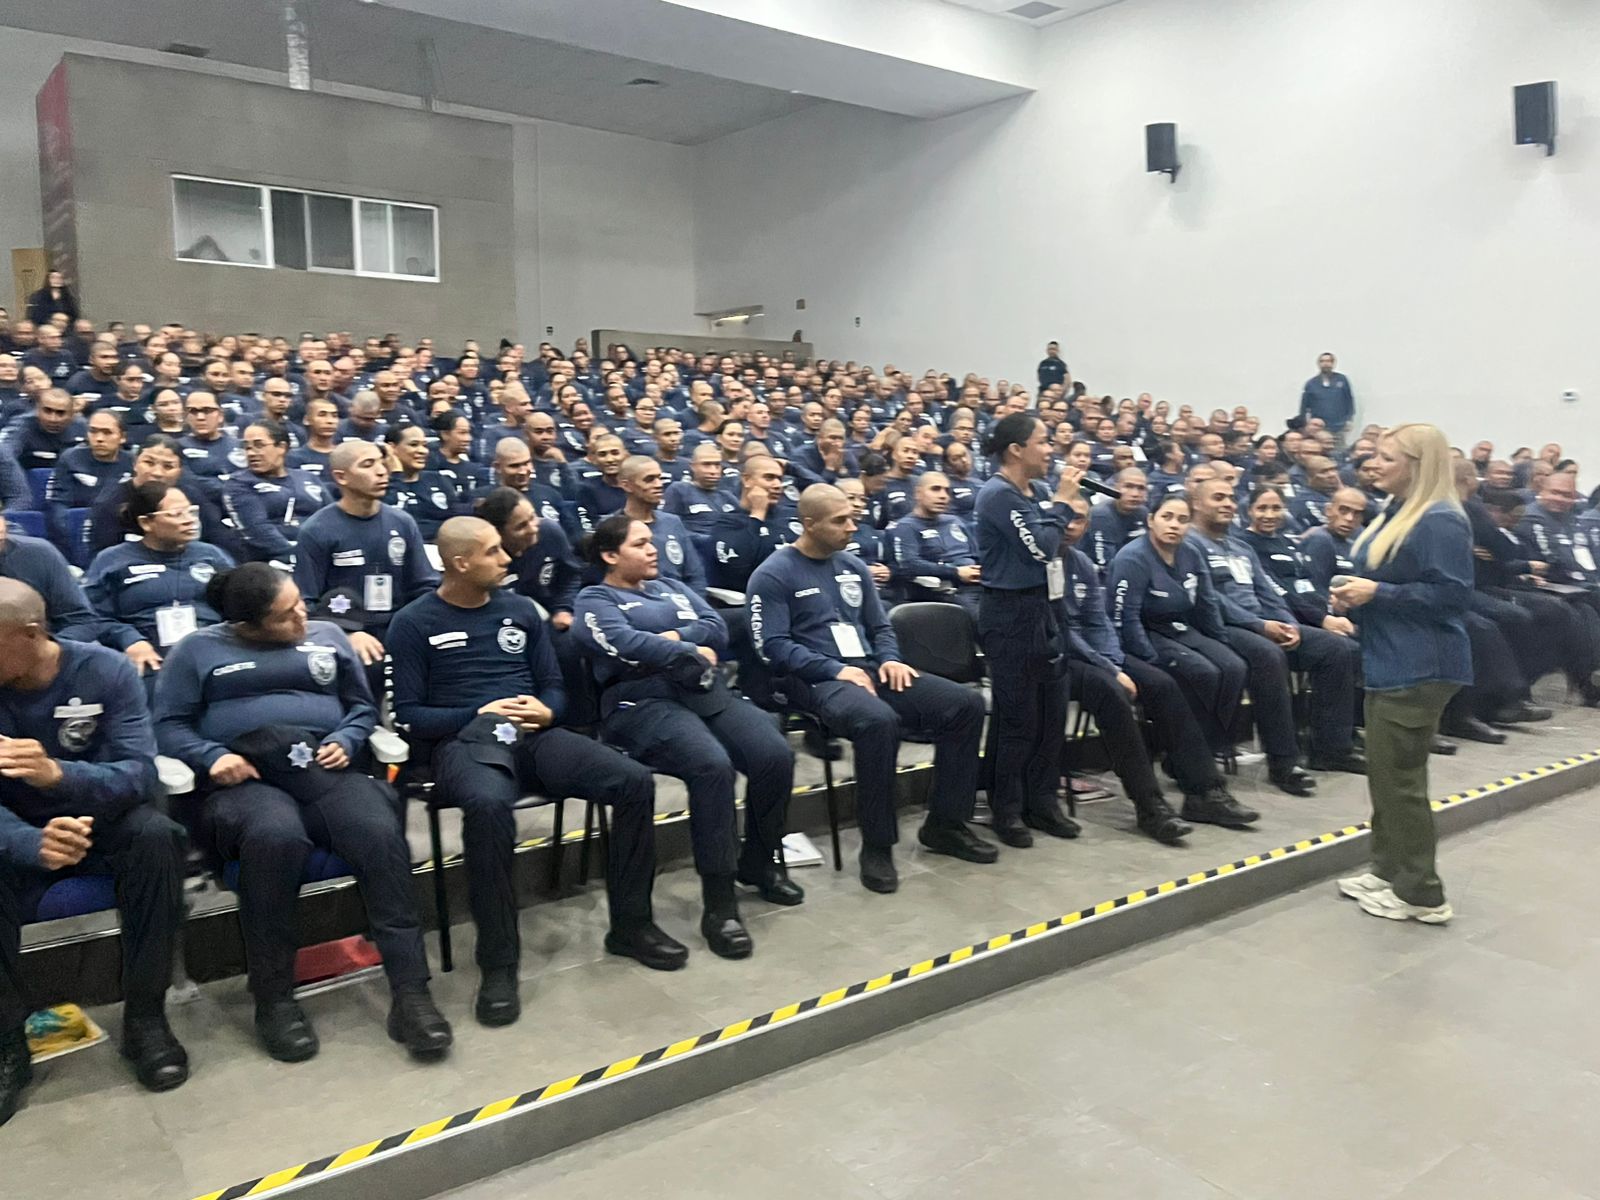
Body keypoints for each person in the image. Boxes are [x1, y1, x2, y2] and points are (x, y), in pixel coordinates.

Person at [388, 518, 687, 1028]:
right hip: (464, 741)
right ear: (460, 563)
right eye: (492, 552)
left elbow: (552, 686)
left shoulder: (521, 610)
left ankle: (631, 925)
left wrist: (548, 711)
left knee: (633, 781)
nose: (507, 559)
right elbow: (410, 716)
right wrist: (479, 712)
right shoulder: (413, 623)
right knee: (488, 807)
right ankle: (499, 963)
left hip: (534, 735)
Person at [154, 564, 451, 1060]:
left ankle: (411, 993)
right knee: (276, 838)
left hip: (323, 769)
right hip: (246, 780)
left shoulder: (328, 636)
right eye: (285, 614)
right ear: (247, 625)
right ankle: (274, 999)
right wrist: (211, 756)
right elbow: (167, 725)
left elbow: (361, 707)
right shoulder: (198, 651)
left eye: (299, 603)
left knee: (379, 833)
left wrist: (347, 738)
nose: (301, 617)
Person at [0, 579, 188, 1125]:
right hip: (16, 829)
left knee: (156, 838)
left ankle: (146, 1018)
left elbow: (138, 773)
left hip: (101, 819)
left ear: (29, 634)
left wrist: (59, 775)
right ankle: (7, 1042)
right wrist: (30, 842)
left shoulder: (105, 670)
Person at [575, 516, 802, 958]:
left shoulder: (671, 587)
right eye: (640, 544)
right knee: (711, 766)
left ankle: (758, 863)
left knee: (774, 753)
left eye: (652, 541)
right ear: (610, 555)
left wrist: (675, 638)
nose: (653, 549)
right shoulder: (595, 599)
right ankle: (720, 905)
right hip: (640, 703)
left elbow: (717, 626)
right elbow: (621, 642)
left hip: (703, 692)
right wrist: (687, 649)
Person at [747, 485, 992, 890]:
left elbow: (880, 627)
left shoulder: (853, 566)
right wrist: (834, 669)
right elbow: (771, 647)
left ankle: (946, 824)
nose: (852, 526)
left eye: (852, 517)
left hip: (870, 668)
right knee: (877, 721)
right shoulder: (774, 573)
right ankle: (878, 845)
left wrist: (891, 659)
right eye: (840, 520)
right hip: (814, 679)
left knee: (964, 705)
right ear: (809, 524)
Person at [1329, 424, 1471, 924]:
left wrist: (1377, 594)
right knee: (1386, 777)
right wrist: (1357, 595)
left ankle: (1421, 893)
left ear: (1417, 465)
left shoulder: (1439, 521)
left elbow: (1453, 595)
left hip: (1420, 665)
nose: (1374, 464)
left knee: (1401, 783)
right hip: (1390, 660)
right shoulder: (1398, 509)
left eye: (1387, 458)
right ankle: (1388, 868)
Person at [1057, 495, 1258, 842]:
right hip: (1060, 656)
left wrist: (1115, 660)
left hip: (1100, 654)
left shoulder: (1082, 562)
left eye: (1079, 519)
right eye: (1065, 517)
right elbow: (1063, 630)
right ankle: (1150, 806)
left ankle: (1204, 792)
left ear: (1088, 525)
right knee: (1117, 691)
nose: (1070, 525)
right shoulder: (1038, 562)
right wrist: (1112, 668)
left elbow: (1099, 622)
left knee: (1165, 684)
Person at [1187, 476, 1364, 777]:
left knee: (1336, 648)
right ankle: (1283, 762)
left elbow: (1267, 592)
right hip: (1220, 627)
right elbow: (1210, 598)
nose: (1228, 503)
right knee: (1269, 655)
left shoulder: (1241, 547)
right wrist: (1260, 625)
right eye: (1218, 497)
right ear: (1196, 503)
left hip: (1263, 622)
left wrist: (1290, 624)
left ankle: (1331, 750)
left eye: (1231, 498)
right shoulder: (1190, 544)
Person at [971, 413, 1081, 846]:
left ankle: (1043, 802)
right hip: (1009, 615)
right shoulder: (998, 495)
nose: (1051, 449)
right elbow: (1040, 548)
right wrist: (1063, 503)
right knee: (1017, 720)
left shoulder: (1035, 492)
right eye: (1043, 441)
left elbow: (1051, 543)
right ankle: (1008, 809)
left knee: (1052, 716)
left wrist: (1056, 510)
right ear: (1016, 449)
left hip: (1044, 609)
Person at [292, 440, 437, 683]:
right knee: (368, 662)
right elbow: (306, 601)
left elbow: (424, 586)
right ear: (341, 477)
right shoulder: (317, 530)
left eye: (381, 462)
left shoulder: (402, 522)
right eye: (368, 465)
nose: (381, 471)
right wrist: (345, 633)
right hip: (345, 628)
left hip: (399, 625)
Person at [82, 483, 235, 698]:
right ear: (146, 522)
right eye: (177, 514)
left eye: (191, 512)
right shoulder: (112, 560)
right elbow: (90, 616)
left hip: (213, 649)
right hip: (149, 653)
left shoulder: (212, 555)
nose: (189, 520)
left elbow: (238, 605)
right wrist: (130, 640)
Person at [223, 420, 329, 563]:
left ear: (281, 447)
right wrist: (297, 557)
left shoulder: (307, 477)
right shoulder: (239, 483)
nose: (251, 453)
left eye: (259, 445)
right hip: (272, 562)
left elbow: (332, 516)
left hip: (319, 552)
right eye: (247, 447)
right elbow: (257, 531)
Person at [887, 472, 981, 613]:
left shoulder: (955, 521)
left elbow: (977, 555)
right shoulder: (906, 527)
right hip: (947, 590)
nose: (943, 496)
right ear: (918, 493)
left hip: (980, 584)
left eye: (947, 491)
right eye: (935, 489)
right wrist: (956, 572)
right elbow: (909, 565)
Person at [1083, 467, 1149, 575]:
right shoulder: (1101, 515)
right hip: (1097, 574)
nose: (1135, 494)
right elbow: (1105, 564)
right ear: (1116, 487)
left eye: (1141, 488)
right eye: (1128, 486)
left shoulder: (1143, 513)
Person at [1299, 353, 1354, 446]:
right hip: (1318, 428)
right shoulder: (1311, 383)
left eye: (1328, 361)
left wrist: (1349, 419)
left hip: (1339, 426)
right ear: (1318, 364)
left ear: (1333, 363)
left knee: (1339, 449)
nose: (1325, 364)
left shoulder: (1342, 380)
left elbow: (1349, 400)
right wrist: (1304, 425)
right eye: (1322, 361)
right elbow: (1304, 406)